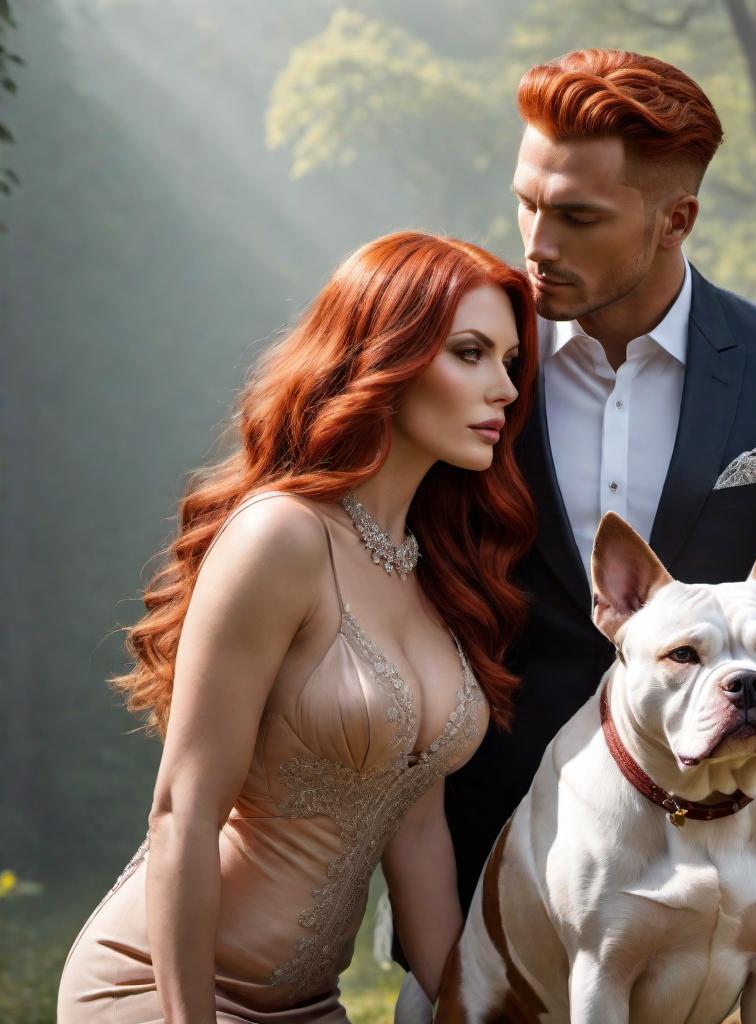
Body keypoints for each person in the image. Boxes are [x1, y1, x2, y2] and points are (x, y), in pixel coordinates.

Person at [439, 50, 756, 1024]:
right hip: (512, 877)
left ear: (676, 219)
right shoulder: (467, 361)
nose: (535, 242)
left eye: (576, 215)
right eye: (527, 203)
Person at [56, 230, 538, 1023]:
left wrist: (473, 1010)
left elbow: (416, 832)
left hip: (310, 1007)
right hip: (160, 990)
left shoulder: (432, 573)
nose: (505, 391)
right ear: (391, 355)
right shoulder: (282, 536)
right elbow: (183, 811)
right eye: (471, 353)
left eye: (510, 362)